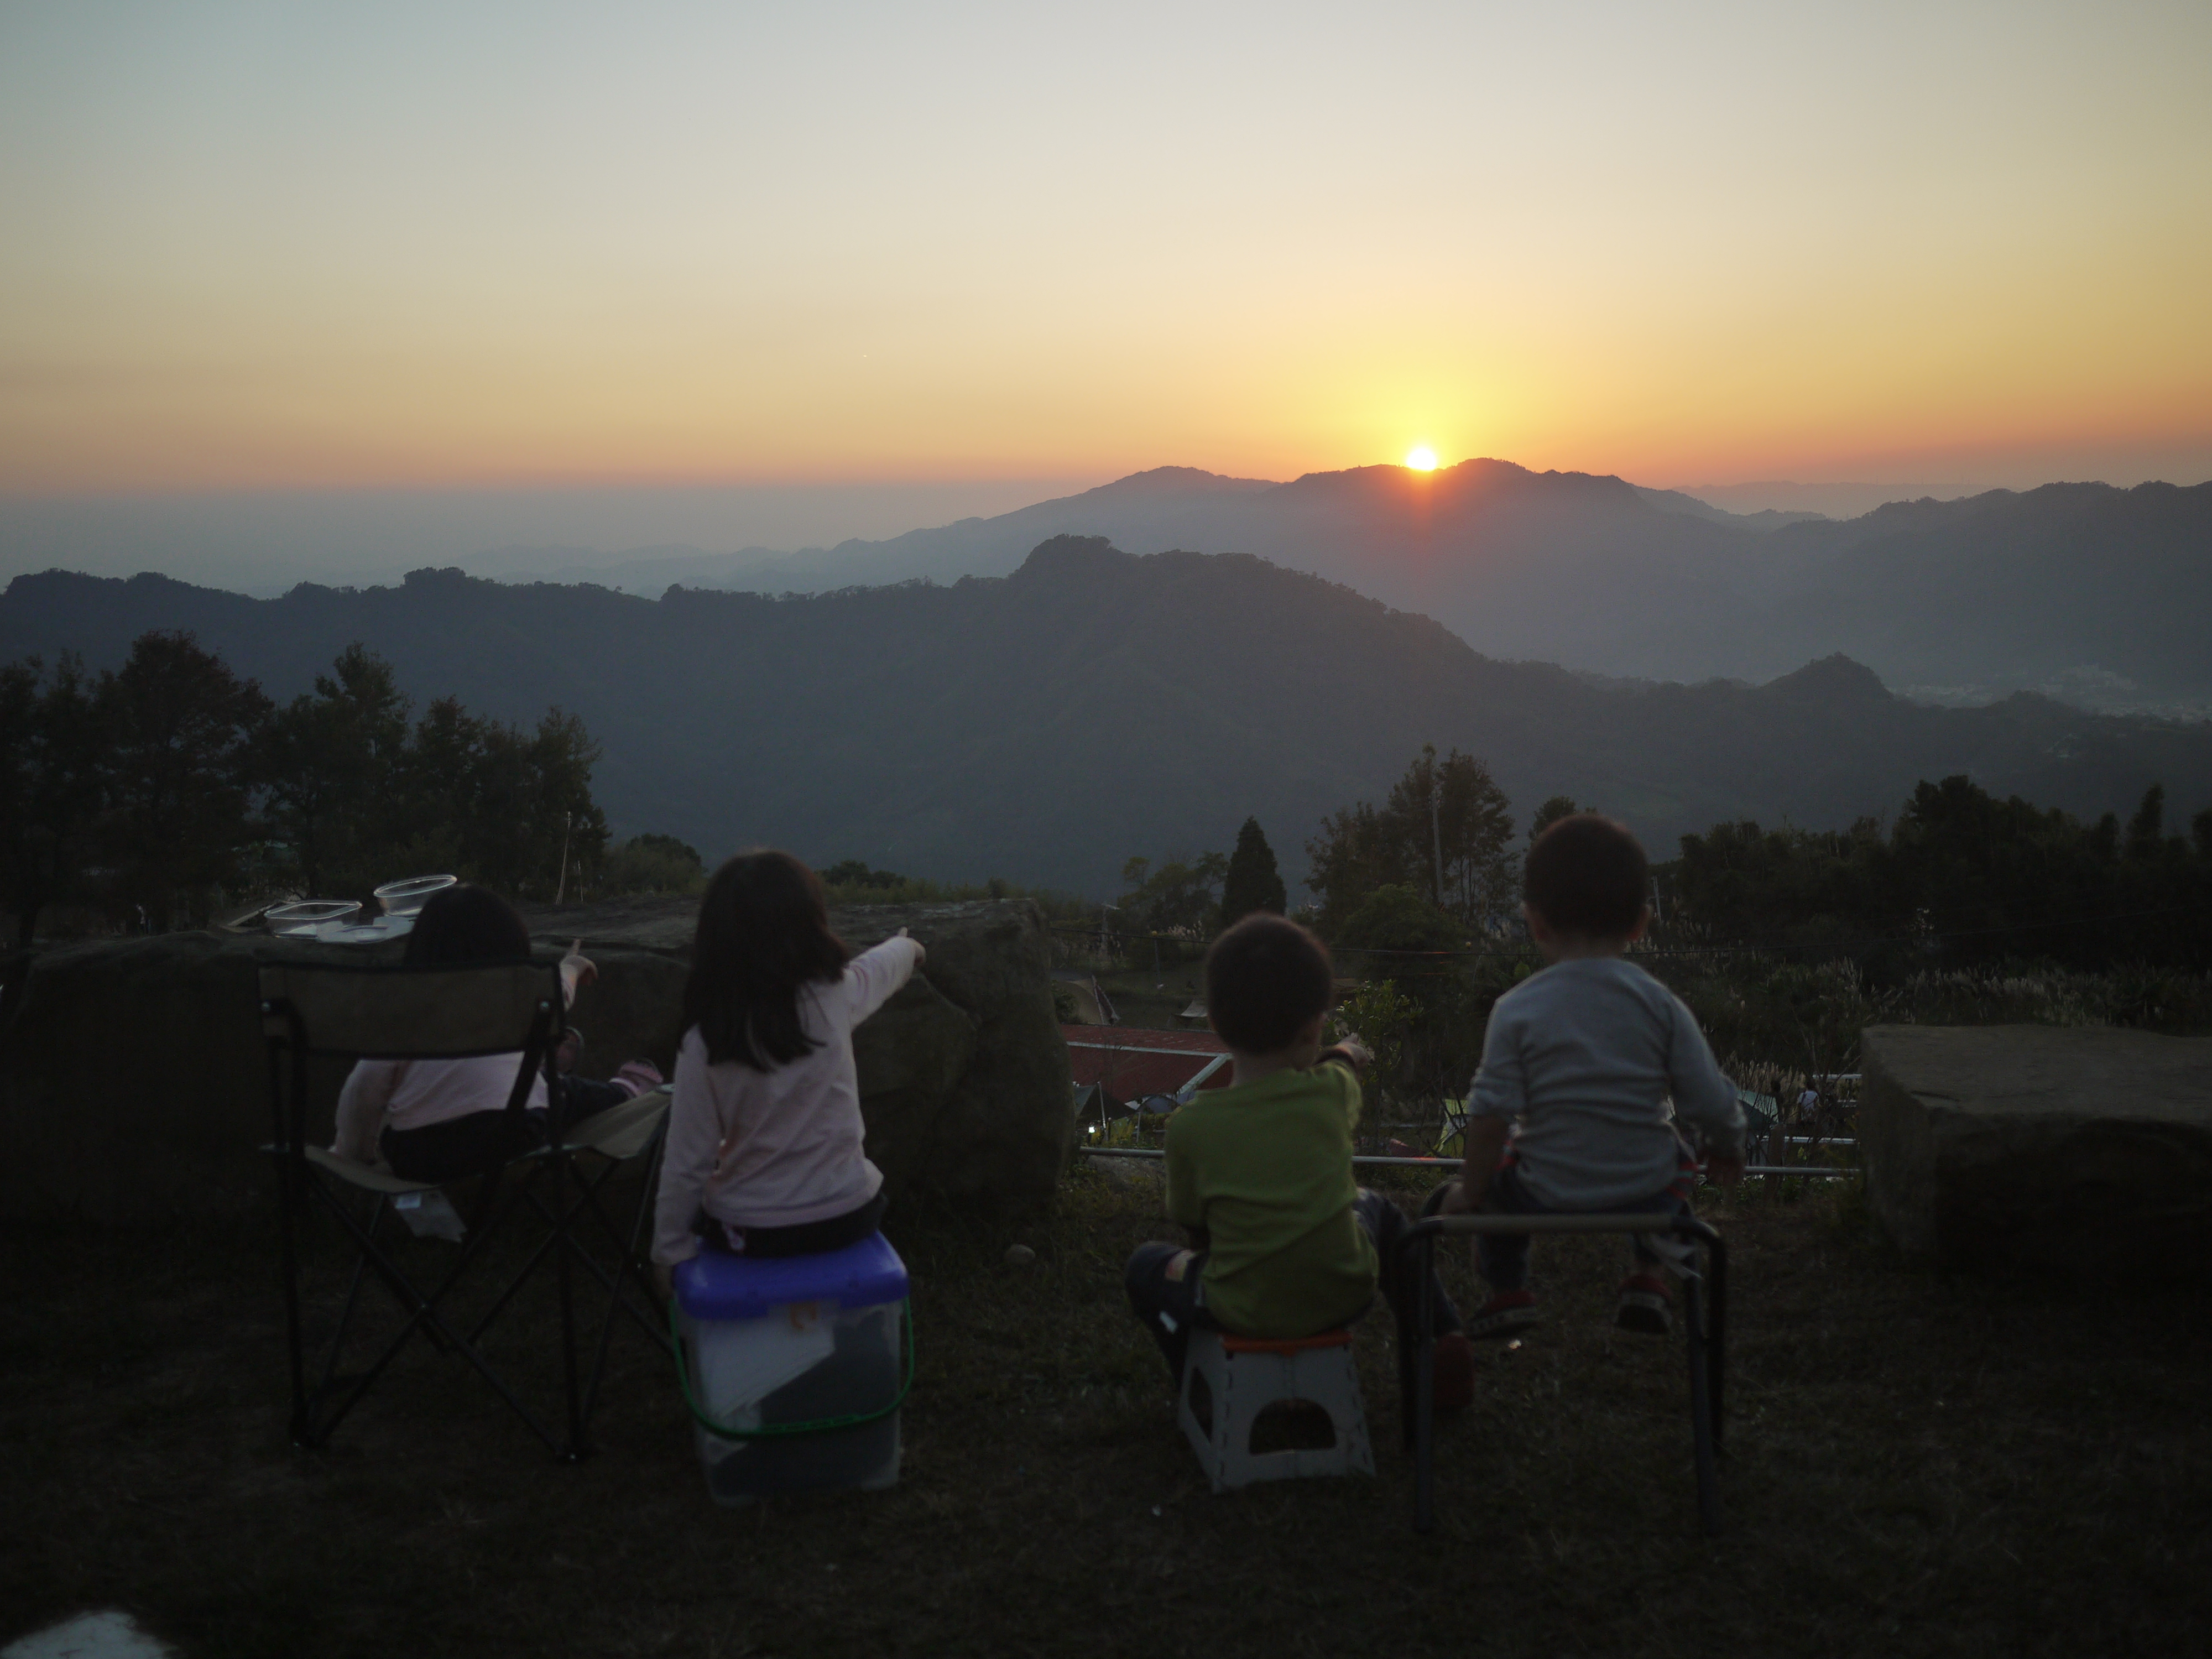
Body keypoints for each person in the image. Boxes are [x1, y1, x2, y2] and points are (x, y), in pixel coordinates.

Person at [1125, 914, 1477, 1411]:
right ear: (1314, 1029)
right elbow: (1343, 1067)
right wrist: (1349, 1048)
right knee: (1381, 1209)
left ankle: (1200, 1384)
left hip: (1237, 1306)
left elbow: (1194, 1228)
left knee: (1145, 1266)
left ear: (1214, 1024)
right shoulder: (1330, 1095)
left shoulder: (1189, 1129)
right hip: (1344, 1292)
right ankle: (1440, 1333)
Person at [1441, 815, 1745, 1337]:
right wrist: (1729, 1144)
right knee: (1673, 1149)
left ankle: (1507, 1290)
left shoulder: (1516, 1010)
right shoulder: (1661, 1006)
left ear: (1535, 923)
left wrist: (1472, 1189)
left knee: (1498, 1179)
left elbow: (1491, 1114)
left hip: (1545, 1188)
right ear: (1640, 924)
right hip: (1644, 1186)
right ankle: (1649, 1278)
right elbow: (1706, 1100)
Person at [651, 850, 922, 1284]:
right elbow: (879, 970)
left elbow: (688, 1162)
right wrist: (908, 946)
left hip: (753, 1232)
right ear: (810, 926)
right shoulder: (832, 996)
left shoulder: (706, 1039)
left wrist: (669, 1253)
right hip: (849, 1214)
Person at [330, 884, 662, 1182]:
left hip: (417, 1154)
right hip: (510, 1135)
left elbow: (364, 1088)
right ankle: (625, 1092)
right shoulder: (516, 999)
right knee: (564, 1092)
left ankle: (536, 1066)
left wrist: (352, 1153)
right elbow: (557, 997)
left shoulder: (404, 1012)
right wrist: (571, 968)